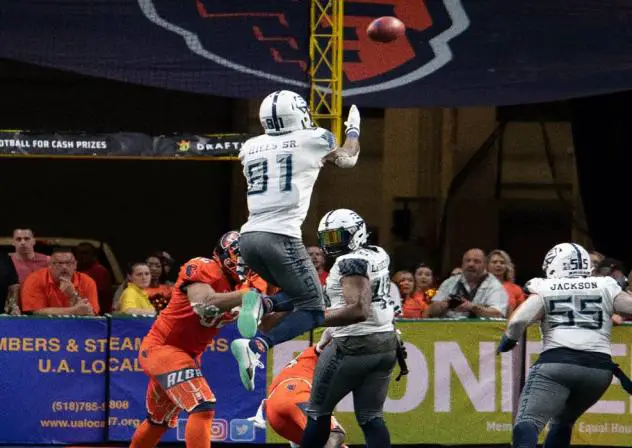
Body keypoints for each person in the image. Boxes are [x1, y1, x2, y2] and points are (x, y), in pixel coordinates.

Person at [231, 90, 362, 391]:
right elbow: (347, 159)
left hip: (249, 238)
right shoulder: (315, 138)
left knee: (307, 293)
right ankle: (258, 347)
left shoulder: (250, 146)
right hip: (281, 238)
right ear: (299, 113)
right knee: (315, 308)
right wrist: (352, 131)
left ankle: (264, 302)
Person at [129, 231, 263, 448]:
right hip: (163, 349)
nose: (245, 262)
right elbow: (204, 303)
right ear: (225, 255)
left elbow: (264, 321)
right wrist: (249, 296)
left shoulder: (242, 285)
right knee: (203, 407)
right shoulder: (205, 267)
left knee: (158, 422)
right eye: (240, 255)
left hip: (186, 355)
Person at [498, 242, 632, 448]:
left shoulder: (545, 287)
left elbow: (517, 321)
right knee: (562, 422)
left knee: (527, 422)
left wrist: (510, 339)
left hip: (557, 366)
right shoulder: (605, 285)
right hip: (598, 373)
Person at [300, 209, 401, 448]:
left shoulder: (349, 262)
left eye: (337, 237)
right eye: (327, 238)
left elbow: (358, 310)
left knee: (317, 413)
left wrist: (313, 318)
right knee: (371, 417)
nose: (330, 244)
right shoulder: (378, 253)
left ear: (356, 234)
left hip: (354, 344)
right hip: (386, 341)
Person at [248, 329, 347, 448]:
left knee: (333, 443)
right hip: (293, 393)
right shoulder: (319, 353)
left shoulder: (312, 358)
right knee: (335, 433)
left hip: (276, 414)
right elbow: (322, 345)